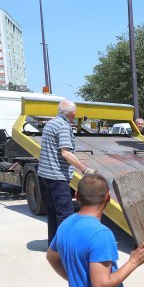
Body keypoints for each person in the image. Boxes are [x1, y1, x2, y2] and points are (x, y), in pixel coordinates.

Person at [38, 100, 95, 245]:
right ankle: (67, 249)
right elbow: (66, 153)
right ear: (74, 113)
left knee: (53, 213)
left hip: (45, 175)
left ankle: (54, 245)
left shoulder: (51, 123)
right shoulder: (63, 126)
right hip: (57, 176)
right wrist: (85, 169)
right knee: (66, 214)